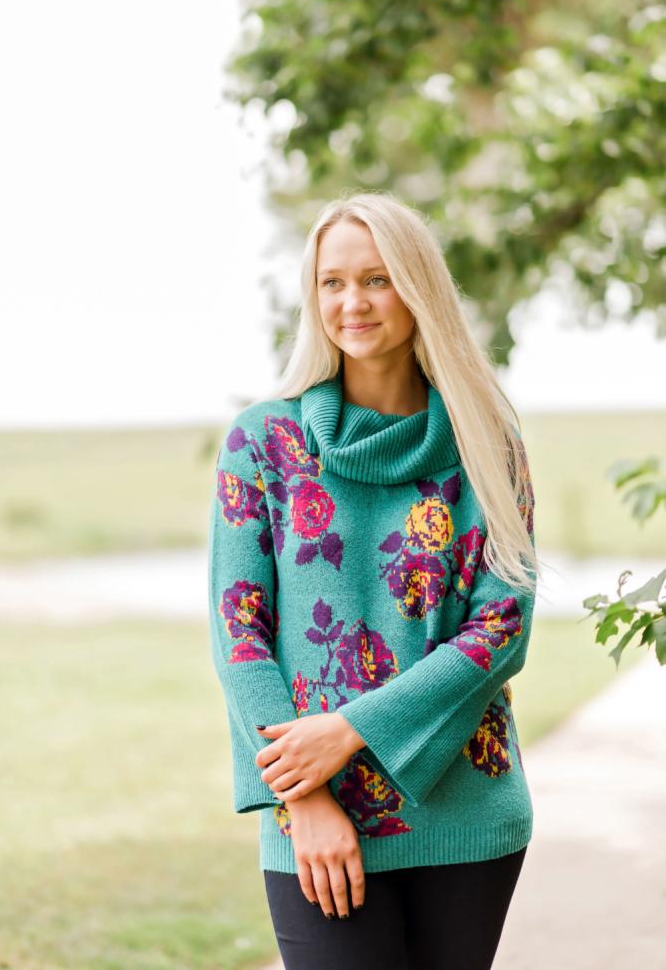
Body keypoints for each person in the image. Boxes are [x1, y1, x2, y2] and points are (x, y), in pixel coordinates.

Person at [207, 190, 541, 970]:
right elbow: (239, 633)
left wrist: (349, 729)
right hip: (316, 819)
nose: (351, 302)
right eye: (332, 282)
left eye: (377, 279)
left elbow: (502, 626)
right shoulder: (264, 442)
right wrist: (304, 799)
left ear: (418, 288)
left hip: (466, 811)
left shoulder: (486, 438)